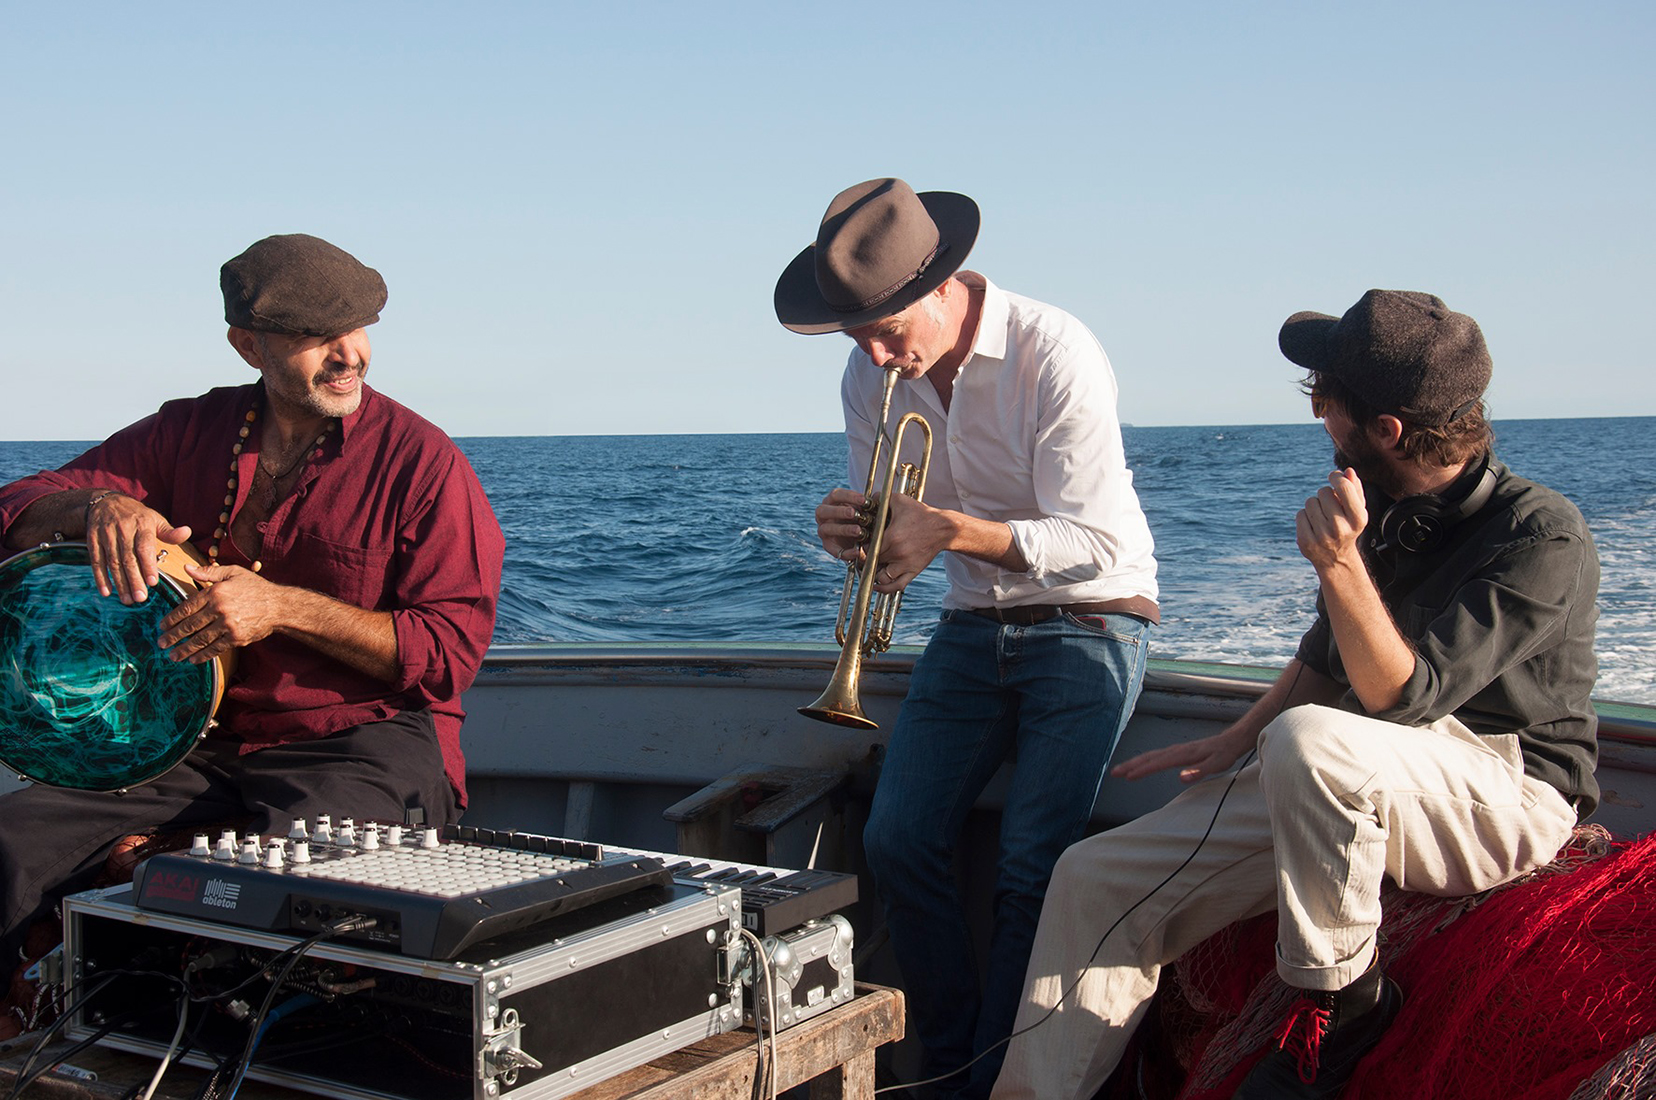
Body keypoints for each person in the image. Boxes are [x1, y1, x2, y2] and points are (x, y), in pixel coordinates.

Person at [989, 289, 1599, 1100]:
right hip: (1361, 772)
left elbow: (1402, 698)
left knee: (1312, 740)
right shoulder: (1382, 509)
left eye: (1326, 401)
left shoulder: (1541, 536)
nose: (1318, 418)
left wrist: (1340, 566)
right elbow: (1319, 664)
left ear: (1385, 431)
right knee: (1091, 878)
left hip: (1509, 794)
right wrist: (1236, 739)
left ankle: (1342, 1005)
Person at [0, 234, 505, 1006]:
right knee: (12, 841)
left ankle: (162, 890)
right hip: (195, 748)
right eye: (314, 337)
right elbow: (17, 508)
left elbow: (447, 654)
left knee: (294, 886)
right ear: (249, 346)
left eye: (359, 328)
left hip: (361, 745)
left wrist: (284, 609)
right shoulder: (186, 432)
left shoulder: (423, 463)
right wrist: (95, 506)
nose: (349, 355)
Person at [776, 178, 1160, 1098]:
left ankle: (997, 1080)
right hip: (971, 623)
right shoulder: (868, 370)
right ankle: (946, 1065)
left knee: (1034, 865)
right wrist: (860, 537)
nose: (874, 355)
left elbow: (1096, 545)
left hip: (1091, 619)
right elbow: (897, 523)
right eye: (855, 336)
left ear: (941, 284)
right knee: (899, 837)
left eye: (885, 327)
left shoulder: (1053, 349)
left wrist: (944, 528)